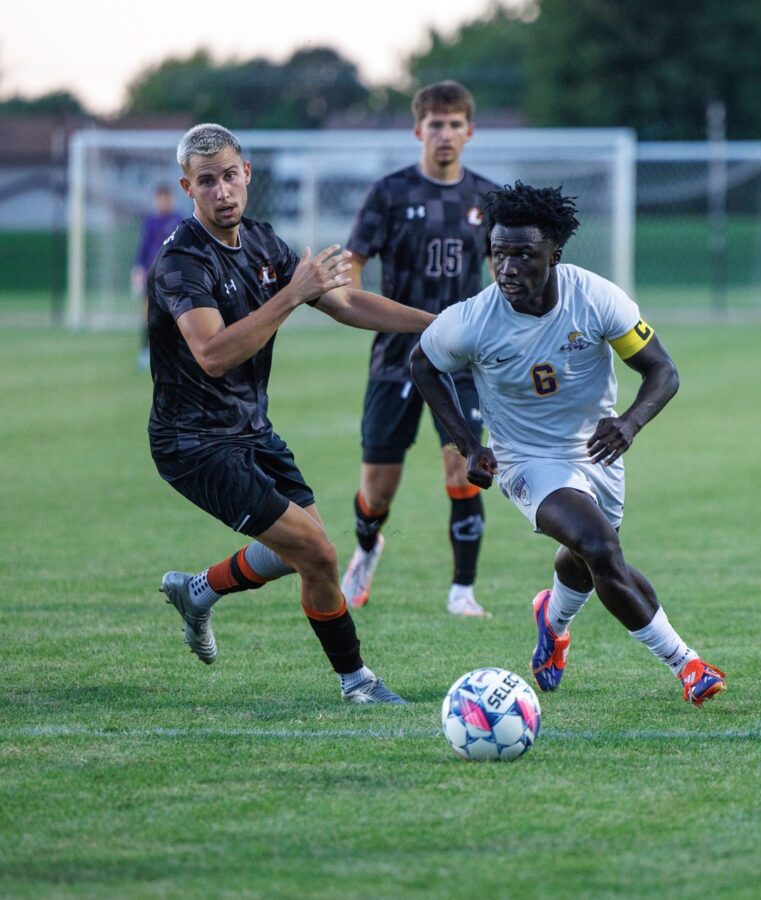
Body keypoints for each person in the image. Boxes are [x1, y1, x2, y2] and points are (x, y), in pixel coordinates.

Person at [148, 123, 436, 704]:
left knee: (304, 551)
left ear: (247, 174)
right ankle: (357, 684)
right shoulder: (182, 263)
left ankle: (199, 591)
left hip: (251, 431)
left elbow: (347, 301)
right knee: (318, 553)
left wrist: (441, 324)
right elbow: (213, 355)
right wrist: (290, 294)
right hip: (192, 443)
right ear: (188, 187)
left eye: (230, 176)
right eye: (207, 182)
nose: (222, 191)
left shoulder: (261, 242)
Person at [410, 182, 727, 707]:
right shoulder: (472, 320)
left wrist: (629, 423)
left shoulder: (596, 298)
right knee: (600, 547)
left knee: (583, 559)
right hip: (525, 459)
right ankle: (688, 665)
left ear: (554, 254)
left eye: (524, 255)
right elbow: (423, 364)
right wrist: (467, 444)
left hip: (598, 452)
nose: (508, 268)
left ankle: (551, 623)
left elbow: (662, 372)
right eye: (498, 253)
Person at [339, 81, 499, 618]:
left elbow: (505, 276)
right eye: (436, 124)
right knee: (377, 491)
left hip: (462, 361)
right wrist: (351, 296)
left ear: (470, 131)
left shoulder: (487, 199)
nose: (445, 133)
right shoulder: (389, 194)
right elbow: (353, 266)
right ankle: (366, 548)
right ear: (418, 130)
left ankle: (462, 591)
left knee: (465, 466)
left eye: (455, 124)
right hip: (394, 356)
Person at [133, 184, 182, 371]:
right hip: (151, 277)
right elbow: (143, 248)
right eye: (159, 199)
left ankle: (175, 354)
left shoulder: (179, 220)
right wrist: (138, 269)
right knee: (148, 316)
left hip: (173, 277)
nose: (162, 202)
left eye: (166, 198)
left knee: (175, 316)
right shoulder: (150, 222)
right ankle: (145, 353)